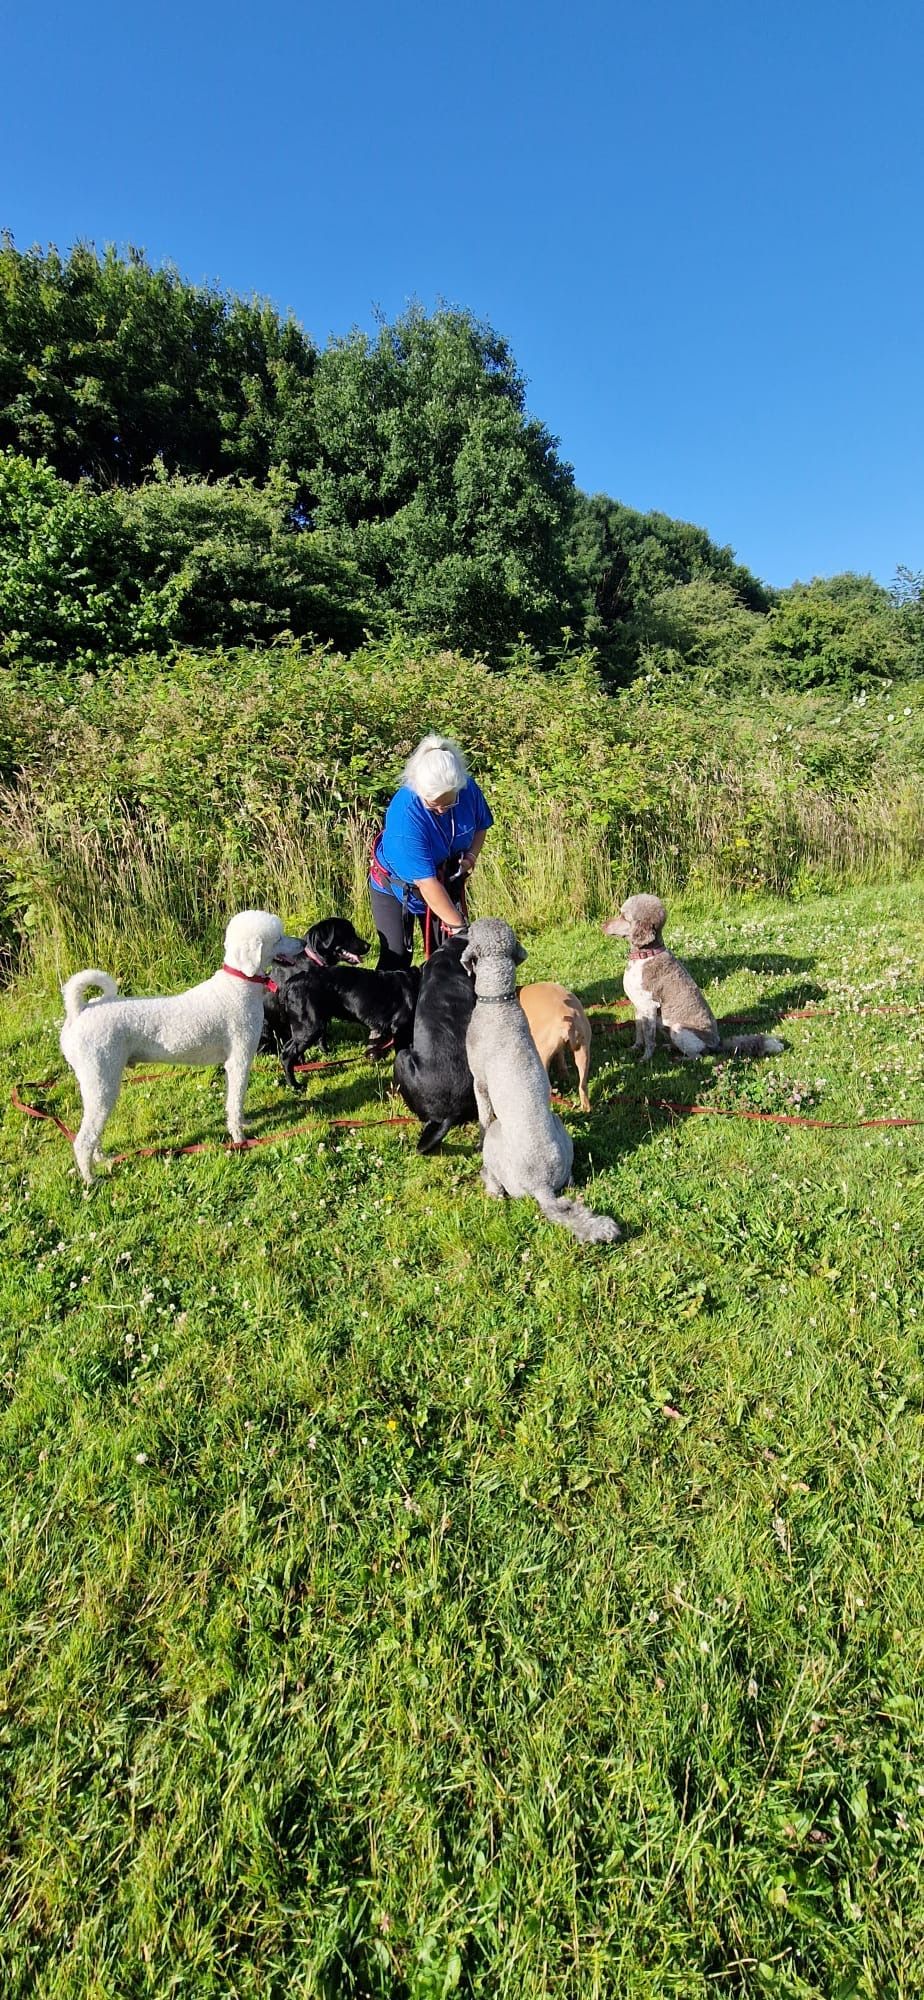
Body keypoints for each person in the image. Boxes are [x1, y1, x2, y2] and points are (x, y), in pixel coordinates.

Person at [369, 734, 493, 968]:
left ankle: (450, 1002)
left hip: (444, 880)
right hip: (398, 888)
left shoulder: (469, 789)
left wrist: (471, 857)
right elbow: (426, 883)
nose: (441, 810)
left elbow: (480, 827)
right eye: (433, 805)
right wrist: (461, 929)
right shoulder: (406, 816)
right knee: (396, 958)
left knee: (448, 956)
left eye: (448, 804)